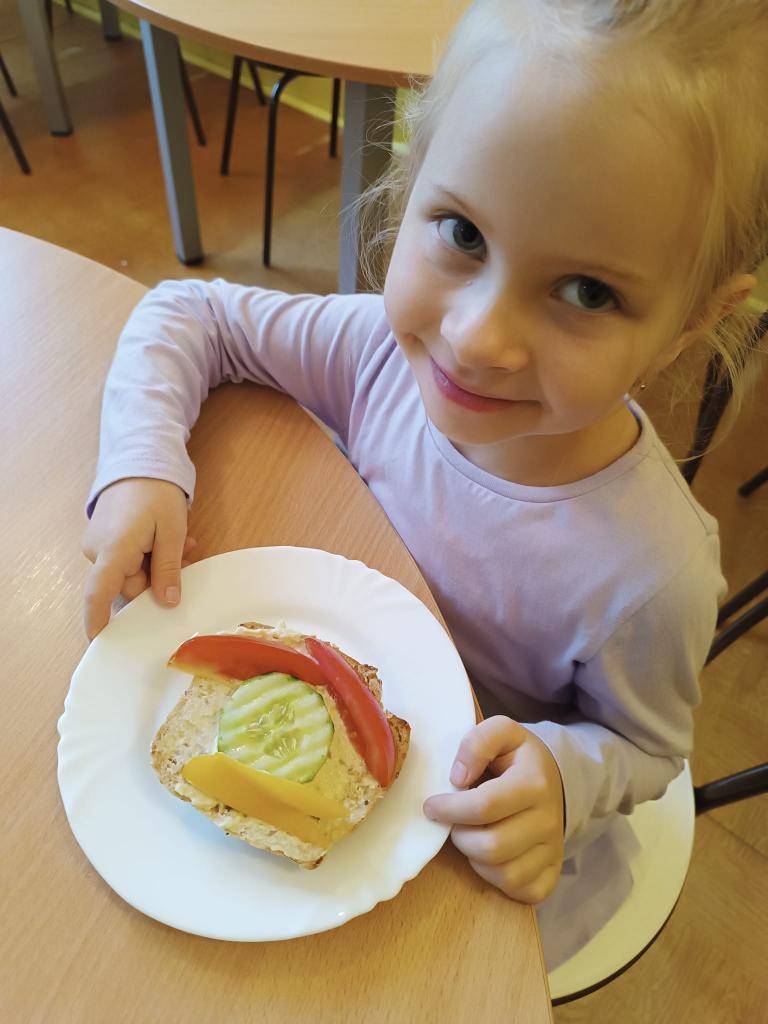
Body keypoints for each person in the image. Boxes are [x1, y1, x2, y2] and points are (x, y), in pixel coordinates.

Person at [81, 0, 767, 968]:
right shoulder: (377, 351)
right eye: (463, 232)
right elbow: (190, 313)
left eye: (587, 292)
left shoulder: (655, 575)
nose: (478, 338)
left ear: (693, 320)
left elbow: (646, 748)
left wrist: (562, 778)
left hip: (478, 865)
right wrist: (143, 464)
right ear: (411, 182)